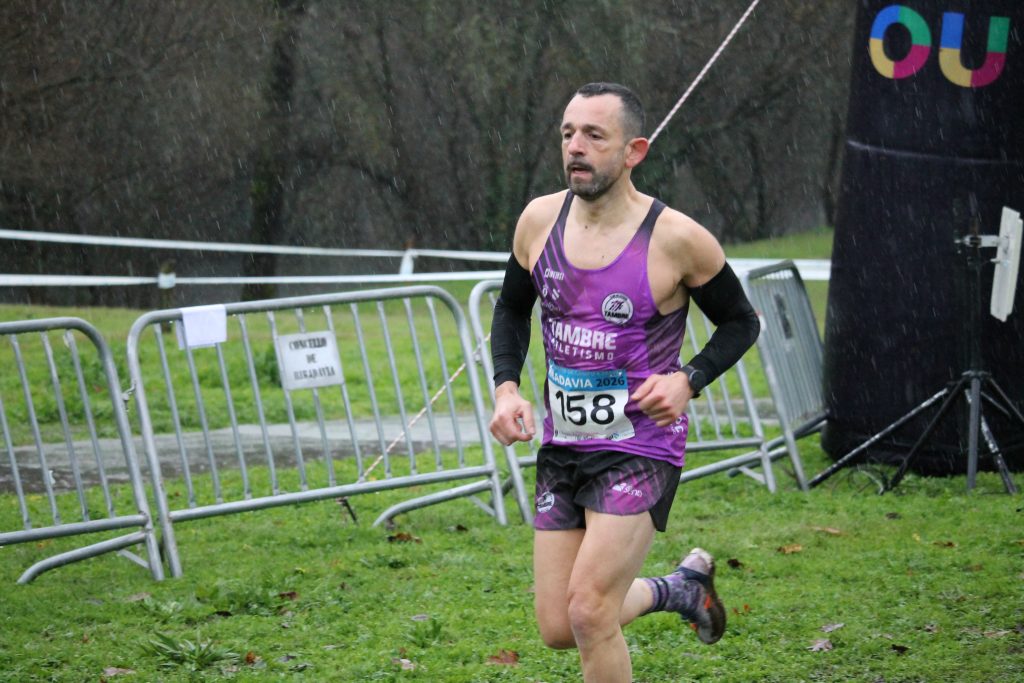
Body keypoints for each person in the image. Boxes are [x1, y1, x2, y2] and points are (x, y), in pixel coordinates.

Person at [488, 82, 760, 683]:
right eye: (568, 134)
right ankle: (680, 589)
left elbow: (742, 322)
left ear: (634, 151)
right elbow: (511, 308)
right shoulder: (538, 221)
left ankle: (666, 592)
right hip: (564, 444)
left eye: (594, 135)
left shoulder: (677, 238)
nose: (575, 147)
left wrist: (688, 380)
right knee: (559, 627)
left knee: (589, 612)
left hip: (641, 447)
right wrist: (507, 387)